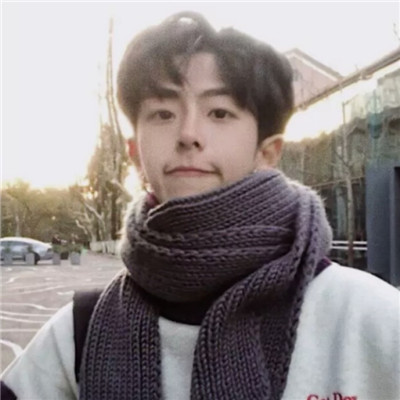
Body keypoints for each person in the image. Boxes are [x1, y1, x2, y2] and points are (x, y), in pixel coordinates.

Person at [1, 11, 399, 400]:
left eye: (219, 112)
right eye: (163, 113)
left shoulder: (369, 319)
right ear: (135, 154)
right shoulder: (77, 338)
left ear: (267, 152)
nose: (188, 133)